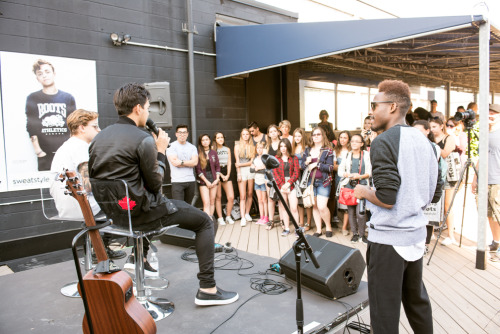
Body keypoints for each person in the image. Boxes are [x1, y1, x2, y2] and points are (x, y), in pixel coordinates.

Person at [89, 83, 238, 306]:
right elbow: (156, 185)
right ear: (138, 108)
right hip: (143, 213)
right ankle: (208, 289)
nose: (149, 112)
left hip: (116, 216)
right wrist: (159, 150)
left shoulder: (98, 139)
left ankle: (138, 261)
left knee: (170, 208)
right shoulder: (143, 139)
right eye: (148, 108)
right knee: (205, 221)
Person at [353, 79, 440, 333]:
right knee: (417, 303)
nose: (371, 112)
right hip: (415, 236)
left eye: (374, 105)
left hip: (389, 240)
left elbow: (388, 198)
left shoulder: (383, 142)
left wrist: (364, 191)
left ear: (391, 107)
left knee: (384, 313)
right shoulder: (426, 142)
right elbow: (434, 192)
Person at [50, 109, 126, 261]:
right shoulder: (80, 147)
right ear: (82, 127)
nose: (99, 130)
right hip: (80, 205)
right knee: (125, 201)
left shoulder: (67, 146)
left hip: (68, 204)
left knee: (116, 197)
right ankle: (99, 251)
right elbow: (89, 185)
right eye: (95, 126)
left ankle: (100, 248)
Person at [26, 59, 77, 171]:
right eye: (40, 73)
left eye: (47, 72)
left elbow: (74, 126)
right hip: (45, 155)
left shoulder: (67, 98)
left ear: (54, 74)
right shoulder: (33, 98)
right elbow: (31, 127)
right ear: (37, 78)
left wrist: (72, 150)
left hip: (66, 153)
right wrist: (39, 152)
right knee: (48, 186)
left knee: (70, 185)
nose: (44, 75)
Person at [472, 104, 500, 259]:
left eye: (494, 113)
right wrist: (475, 178)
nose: (490, 115)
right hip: (484, 180)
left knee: (498, 214)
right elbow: (481, 158)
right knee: (488, 214)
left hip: (497, 180)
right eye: (488, 112)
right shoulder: (484, 133)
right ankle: (496, 241)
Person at [301, 127, 335, 238]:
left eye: (318, 134)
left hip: (324, 182)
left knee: (322, 206)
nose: (315, 136)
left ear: (323, 136)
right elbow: (302, 167)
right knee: (314, 206)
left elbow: (330, 168)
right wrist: (306, 162)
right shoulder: (307, 150)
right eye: (314, 135)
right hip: (311, 182)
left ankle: (328, 227)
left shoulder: (328, 150)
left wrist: (317, 164)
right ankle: (319, 230)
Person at [337, 134, 371, 244]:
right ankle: (355, 234)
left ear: (362, 144)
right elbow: (340, 171)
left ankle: (362, 235)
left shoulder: (366, 155)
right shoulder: (347, 155)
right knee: (350, 211)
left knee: (361, 212)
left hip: (362, 186)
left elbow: (370, 173)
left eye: (357, 141)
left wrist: (359, 176)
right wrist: (347, 174)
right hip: (349, 186)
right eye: (352, 141)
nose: (354, 143)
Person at [430, 117, 457, 246]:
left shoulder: (449, 138)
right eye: (430, 127)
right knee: (432, 204)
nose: (432, 129)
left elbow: (445, 153)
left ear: (441, 126)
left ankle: (451, 234)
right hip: (434, 173)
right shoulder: (429, 138)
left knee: (447, 205)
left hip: (448, 175)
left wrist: (432, 145)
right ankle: (431, 232)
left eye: (434, 126)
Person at [272, 139, 301, 236]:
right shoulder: (276, 158)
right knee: (284, 208)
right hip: (281, 186)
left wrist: (288, 183)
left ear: (288, 147)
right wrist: (282, 185)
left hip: (291, 185)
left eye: (285, 146)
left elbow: (296, 173)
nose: (283, 148)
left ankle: (297, 229)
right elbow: (275, 173)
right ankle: (287, 228)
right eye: (281, 146)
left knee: (293, 208)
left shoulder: (294, 158)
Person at [167, 124, 198, 204]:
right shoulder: (171, 146)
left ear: (187, 134)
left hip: (190, 180)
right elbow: (175, 163)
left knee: (188, 207)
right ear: (176, 134)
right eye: (180, 132)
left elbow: (195, 162)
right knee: (179, 207)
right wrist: (189, 162)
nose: (182, 135)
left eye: (184, 132)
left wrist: (181, 162)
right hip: (177, 181)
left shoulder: (192, 147)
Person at [195, 134, 220, 228]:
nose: (205, 141)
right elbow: (198, 170)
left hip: (213, 179)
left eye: (207, 139)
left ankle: (211, 220)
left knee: (212, 201)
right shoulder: (198, 153)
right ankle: (206, 223)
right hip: (203, 181)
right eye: (203, 140)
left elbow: (218, 166)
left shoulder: (214, 152)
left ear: (209, 141)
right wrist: (206, 181)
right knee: (206, 202)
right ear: (200, 142)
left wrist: (217, 179)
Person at [234, 128, 255, 226]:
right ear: (241, 136)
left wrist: (240, 165)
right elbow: (237, 161)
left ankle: (247, 213)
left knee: (250, 193)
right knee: (242, 196)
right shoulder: (237, 146)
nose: (246, 136)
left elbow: (251, 162)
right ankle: (242, 217)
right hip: (241, 172)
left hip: (250, 171)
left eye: (247, 134)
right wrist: (238, 172)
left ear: (249, 135)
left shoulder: (252, 146)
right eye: (244, 134)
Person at [213, 132, 235, 226]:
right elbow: (213, 165)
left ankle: (228, 216)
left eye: (222, 137)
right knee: (218, 197)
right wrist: (221, 175)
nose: (221, 139)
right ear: (215, 139)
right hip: (217, 172)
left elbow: (229, 162)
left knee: (231, 197)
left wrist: (228, 174)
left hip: (226, 171)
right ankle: (220, 218)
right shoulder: (213, 150)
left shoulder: (227, 149)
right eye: (218, 138)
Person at [292, 128, 312, 231]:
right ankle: (301, 222)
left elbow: (309, 164)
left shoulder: (307, 148)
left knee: (306, 199)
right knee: (299, 199)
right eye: (295, 136)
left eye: (299, 136)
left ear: (303, 137)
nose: (297, 138)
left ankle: (308, 222)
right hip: (296, 176)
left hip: (305, 176)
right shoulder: (292, 148)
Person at [334, 130, 351, 236]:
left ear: (349, 139)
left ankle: (345, 226)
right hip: (338, 178)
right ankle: (342, 222)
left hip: (349, 178)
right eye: (341, 137)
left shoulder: (351, 150)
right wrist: (342, 170)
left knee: (348, 201)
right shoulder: (336, 151)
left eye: (345, 137)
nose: (342, 140)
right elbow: (333, 165)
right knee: (339, 201)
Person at [265, 124, 280, 230]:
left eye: (275, 131)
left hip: (281, 173)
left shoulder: (283, 143)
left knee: (281, 199)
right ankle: (271, 221)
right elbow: (264, 161)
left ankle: (284, 221)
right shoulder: (267, 146)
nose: (273, 133)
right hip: (270, 174)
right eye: (271, 132)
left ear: (278, 132)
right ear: (269, 134)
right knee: (270, 198)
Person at [252, 142, 269, 226]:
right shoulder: (255, 159)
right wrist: (256, 168)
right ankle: (261, 216)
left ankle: (266, 217)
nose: (259, 149)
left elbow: (265, 167)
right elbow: (252, 169)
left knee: (264, 200)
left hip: (263, 181)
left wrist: (258, 168)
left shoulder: (264, 158)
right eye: (258, 148)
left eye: (261, 148)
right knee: (259, 200)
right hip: (256, 181)